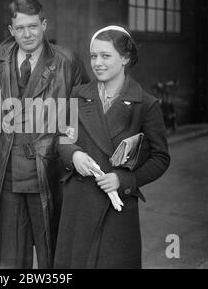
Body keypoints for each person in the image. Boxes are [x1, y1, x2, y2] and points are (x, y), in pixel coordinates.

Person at [0, 0, 89, 268]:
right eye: (20, 28)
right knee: (8, 259)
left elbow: (82, 117)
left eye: (33, 26)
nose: (27, 34)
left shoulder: (67, 62)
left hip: (48, 173)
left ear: (44, 25)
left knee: (53, 256)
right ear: (11, 30)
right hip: (6, 173)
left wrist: (71, 153)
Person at [54, 25, 170, 269]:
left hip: (117, 208)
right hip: (79, 204)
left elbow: (160, 158)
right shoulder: (77, 95)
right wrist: (73, 155)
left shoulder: (145, 104)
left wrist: (123, 180)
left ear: (125, 58)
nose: (97, 63)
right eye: (94, 56)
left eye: (106, 56)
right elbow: (62, 137)